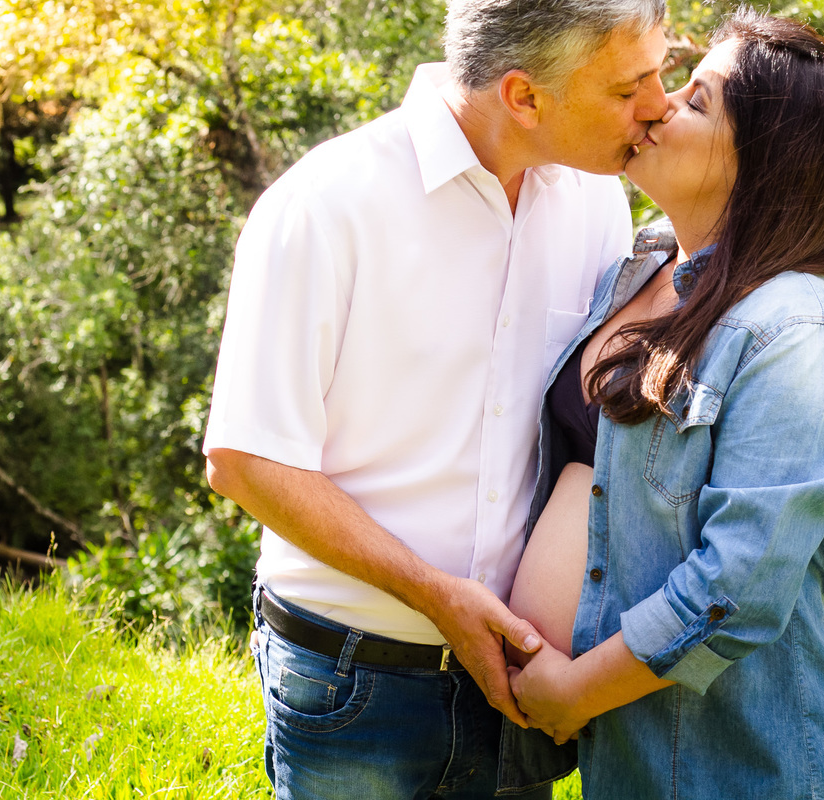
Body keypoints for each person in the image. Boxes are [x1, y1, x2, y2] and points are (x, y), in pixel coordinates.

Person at [202, 0, 671, 796]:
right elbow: (246, 461)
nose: (659, 105)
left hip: (519, 688)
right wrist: (437, 597)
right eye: (630, 87)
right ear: (524, 97)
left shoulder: (597, 202)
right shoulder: (325, 204)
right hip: (352, 679)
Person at [503, 8, 824, 798]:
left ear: (768, 160)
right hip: (635, 762)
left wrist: (576, 692)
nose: (657, 105)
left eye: (696, 100)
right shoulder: (637, 268)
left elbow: (738, 586)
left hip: (748, 768)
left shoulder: (792, 327)